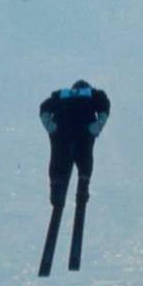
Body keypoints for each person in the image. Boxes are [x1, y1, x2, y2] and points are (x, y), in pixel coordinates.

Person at [38, 80, 110, 212]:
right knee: (84, 158)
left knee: (58, 160)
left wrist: (49, 125)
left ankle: (57, 186)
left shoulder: (61, 95)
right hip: (83, 129)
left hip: (61, 130)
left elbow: (44, 107)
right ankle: (83, 184)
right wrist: (99, 124)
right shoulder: (92, 94)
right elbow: (104, 105)